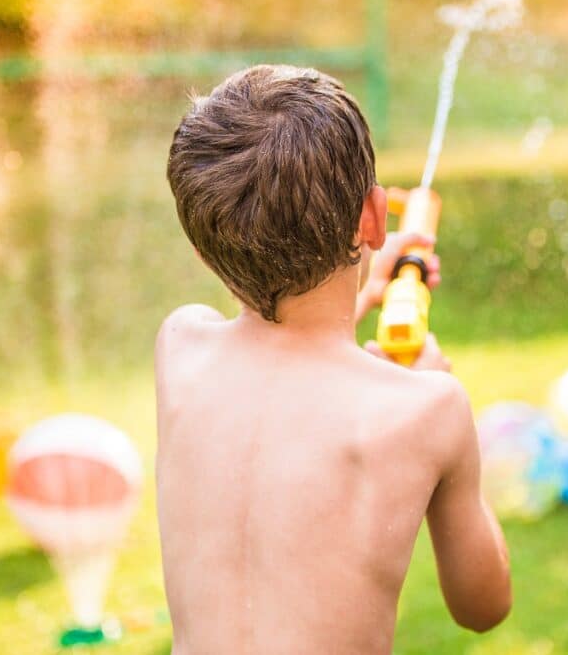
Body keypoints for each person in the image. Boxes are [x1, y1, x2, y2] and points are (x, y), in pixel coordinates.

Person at [157, 64, 511, 654]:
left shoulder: (179, 349)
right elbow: (483, 606)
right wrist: (430, 387)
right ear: (375, 217)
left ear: (201, 247)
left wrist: (360, 289)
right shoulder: (427, 408)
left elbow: (282, 348)